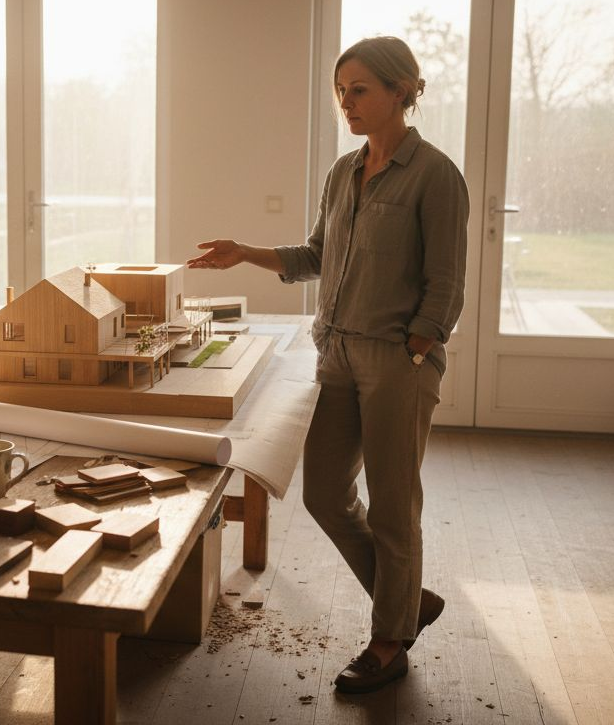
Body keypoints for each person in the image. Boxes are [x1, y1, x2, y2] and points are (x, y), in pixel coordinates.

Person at [187, 36, 468, 694]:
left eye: (361, 89)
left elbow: (446, 283)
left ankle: (387, 642)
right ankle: (407, 604)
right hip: (334, 352)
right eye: (342, 90)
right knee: (322, 494)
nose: (347, 101)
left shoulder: (435, 175)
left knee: (395, 508)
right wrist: (245, 252)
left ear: (402, 91)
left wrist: (416, 349)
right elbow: (316, 255)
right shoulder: (344, 171)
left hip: (398, 360)